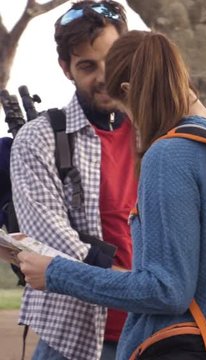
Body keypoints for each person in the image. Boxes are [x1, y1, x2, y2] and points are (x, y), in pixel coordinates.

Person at [17, 30, 206, 360]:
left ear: (128, 92)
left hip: (174, 347)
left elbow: (165, 290)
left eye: (125, 109)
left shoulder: (169, 155)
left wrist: (54, 273)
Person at [9, 1, 136, 359]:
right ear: (66, 68)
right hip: (72, 339)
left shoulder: (158, 133)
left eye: (112, 59)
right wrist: (141, 288)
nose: (104, 76)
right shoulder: (40, 139)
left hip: (153, 335)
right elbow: (51, 241)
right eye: (87, 66)